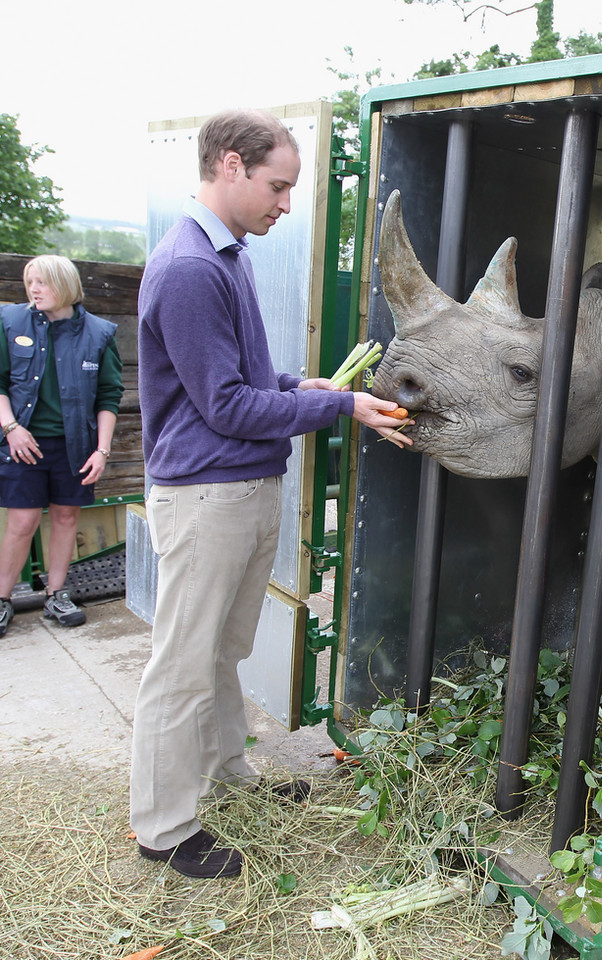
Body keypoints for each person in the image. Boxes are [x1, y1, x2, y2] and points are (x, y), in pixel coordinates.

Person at [130, 108, 410, 880]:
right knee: (183, 664)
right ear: (229, 165)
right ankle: (163, 827)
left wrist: (301, 385)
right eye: (277, 187)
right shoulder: (189, 267)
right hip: (206, 497)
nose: (285, 205)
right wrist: (339, 406)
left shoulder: (230, 256)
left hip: (244, 487)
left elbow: (242, 384)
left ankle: (226, 776)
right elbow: (223, 406)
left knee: (223, 651)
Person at [0, 256, 123, 636]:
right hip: (22, 443)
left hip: (75, 448)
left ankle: (56, 595)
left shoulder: (99, 333)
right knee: (22, 521)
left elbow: (108, 395)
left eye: (41, 282)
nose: (33, 289)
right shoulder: (9, 322)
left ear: (65, 286)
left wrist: (101, 451)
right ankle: (3, 599)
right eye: (29, 282)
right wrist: (11, 428)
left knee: (67, 518)